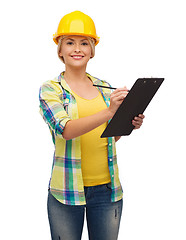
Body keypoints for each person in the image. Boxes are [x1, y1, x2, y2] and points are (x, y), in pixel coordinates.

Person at [39, 10, 145, 240]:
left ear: (92, 50)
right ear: (60, 50)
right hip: (66, 192)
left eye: (84, 43)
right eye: (70, 42)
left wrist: (127, 124)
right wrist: (109, 111)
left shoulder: (104, 87)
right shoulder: (51, 89)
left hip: (107, 191)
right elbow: (66, 130)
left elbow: (108, 136)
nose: (77, 48)